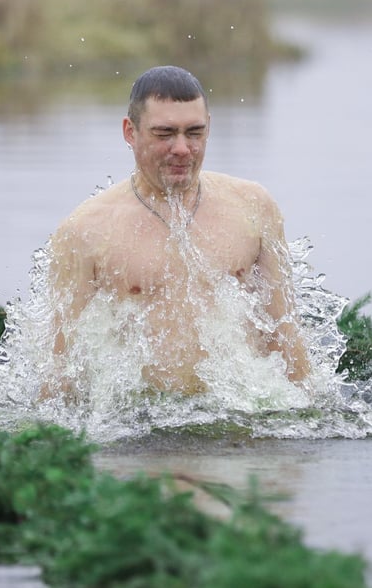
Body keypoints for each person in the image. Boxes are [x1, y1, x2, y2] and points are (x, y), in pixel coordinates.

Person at [45, 65, 309, 398]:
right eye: (165, 134)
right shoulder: (86, 231)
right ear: (130, 132)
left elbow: (284, 331)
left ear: (209, 127)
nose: (182, 148)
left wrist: (310, 421)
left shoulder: (254, 207)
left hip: (238, 416)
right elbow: (60, 369)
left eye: (194, 132)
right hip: (141, 426)